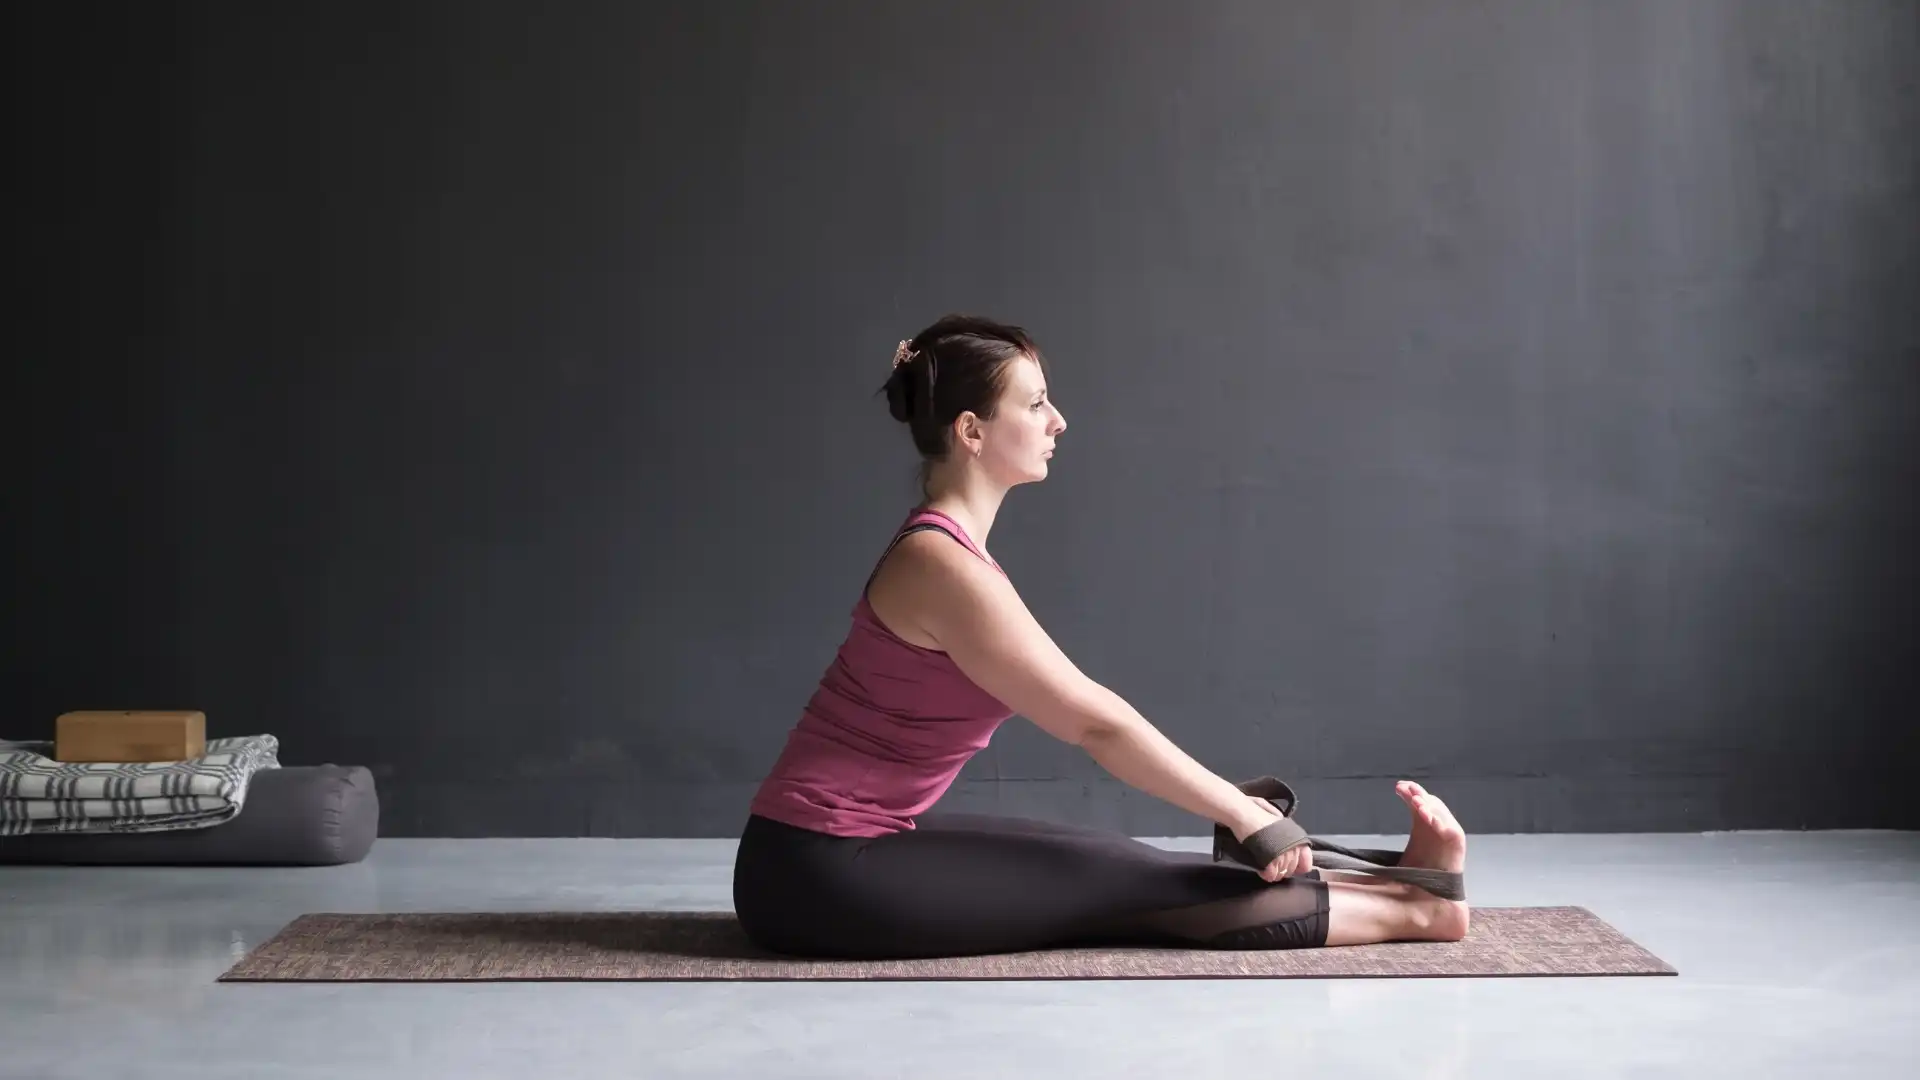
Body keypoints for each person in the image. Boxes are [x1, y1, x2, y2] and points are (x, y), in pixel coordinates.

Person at [732, 314, 1469, 959]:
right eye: (1036, 402)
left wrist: (1235, 810)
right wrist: (1239, 811)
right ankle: (1428, 911)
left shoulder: (949, 554)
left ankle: (1403, 885)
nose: (1059, 421)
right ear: (971, 431)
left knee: (1114, 858)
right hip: (816, 875)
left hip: (838, 851)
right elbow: (1094, 722)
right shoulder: (940, 564)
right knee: (1131, 890)